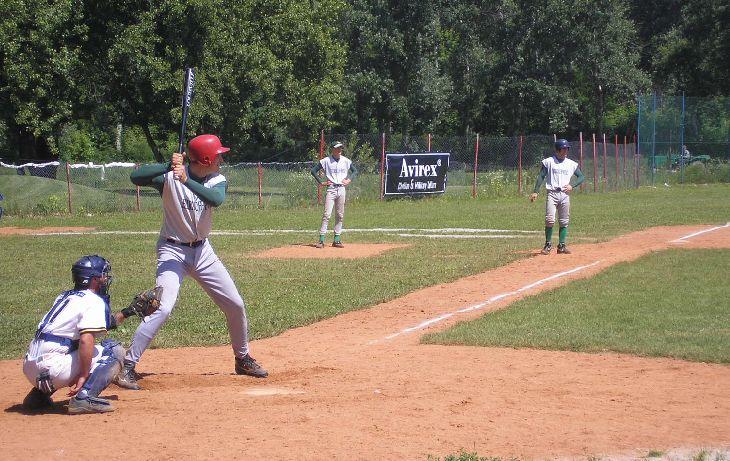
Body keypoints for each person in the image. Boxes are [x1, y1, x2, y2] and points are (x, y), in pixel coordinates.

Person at [116, 134, 267, 390]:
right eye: (218, 155)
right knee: (162, 307)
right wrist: (168, 166)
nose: (221, 159)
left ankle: (242, 358)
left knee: (235, 304)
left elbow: (216, 199)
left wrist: (186, 180)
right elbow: (135, 178)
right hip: (172, 250)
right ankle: (128, 365)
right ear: (206, 159)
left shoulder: (217, 179)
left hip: (203, 252)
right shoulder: (169, 178)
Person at [22, 255, 134, 414]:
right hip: (53, 368)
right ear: (94, 279)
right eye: (102, 275)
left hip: (31, 367)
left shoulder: (64, 297)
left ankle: (38, 397)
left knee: (68, 345)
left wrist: (128, 312)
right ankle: (85, 398)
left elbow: (103, 324)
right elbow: (86, 340)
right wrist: (83, 374)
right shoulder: (92, 300)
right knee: (113, 350)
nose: (105, 279)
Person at [529, 139, 585, 255]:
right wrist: (536, 191)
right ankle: (548, 244)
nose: (566, 151)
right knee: (549, 219)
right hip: (552, 193)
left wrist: (572, 185)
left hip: (565, 194)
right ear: (558, 149)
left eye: (567, 149)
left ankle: (561, 246)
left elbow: (581, 177)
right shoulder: (549, 162)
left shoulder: (571, 163)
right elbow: (541, 176)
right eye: (564, 149)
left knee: (564, 221)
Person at [310, 141, 358, 248]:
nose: (339, 150)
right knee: (327, 214)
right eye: (337, 148)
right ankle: (321, 240)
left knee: (340, 215)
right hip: (331, 189)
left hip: (341, 189)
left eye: (340, 148)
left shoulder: (346, 160)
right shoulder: (326, 161)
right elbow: (313, 171)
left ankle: (336, 240)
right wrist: (321, 182)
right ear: (332, 149)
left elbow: (355, 171)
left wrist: (349, 179)